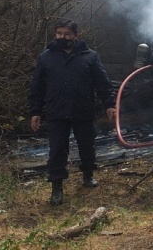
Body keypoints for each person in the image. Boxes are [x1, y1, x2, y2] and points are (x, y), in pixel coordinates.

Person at [29, 19, 116, 206]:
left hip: (83, 110)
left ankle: (88, 174)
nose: (62, 37)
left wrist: (110, 104)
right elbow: (37, 86)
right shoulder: (46, 57)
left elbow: (103, 83)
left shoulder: (90, 57)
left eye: (67, 34)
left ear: (76, 36)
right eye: (59, 33)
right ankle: (57, 187)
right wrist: (36, 111)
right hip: (56, 111)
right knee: (58, 149)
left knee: (86, 145)